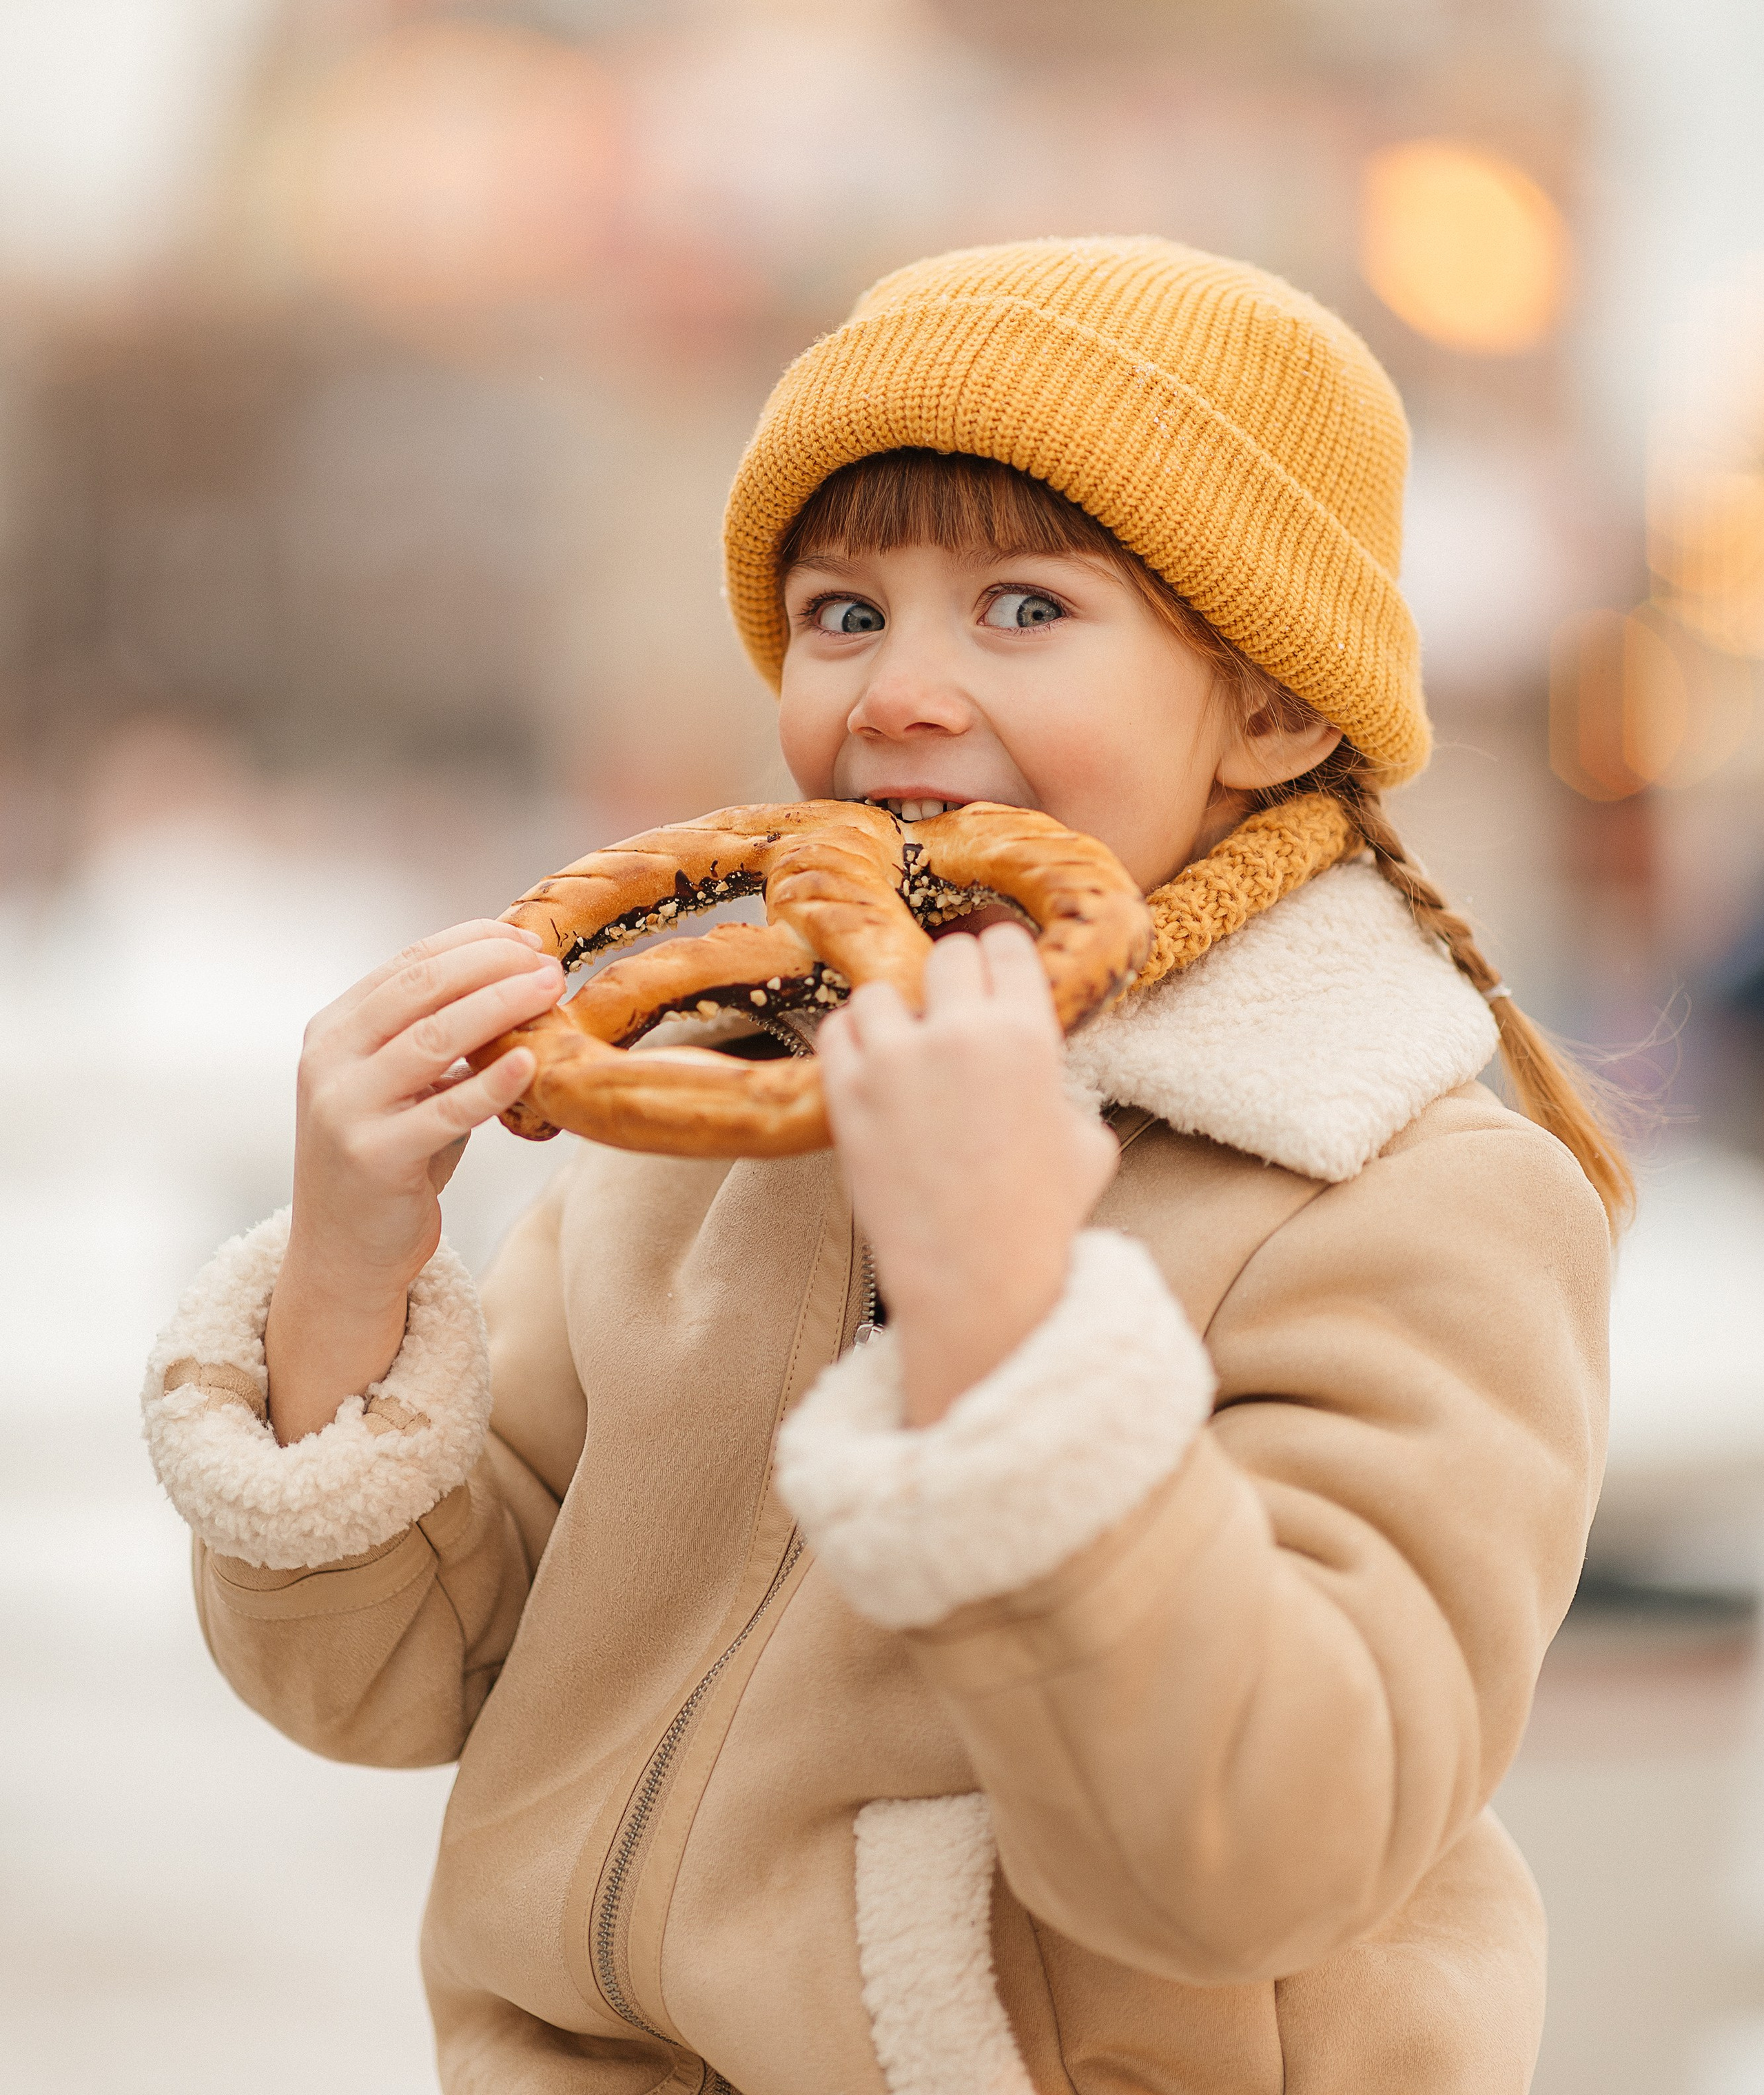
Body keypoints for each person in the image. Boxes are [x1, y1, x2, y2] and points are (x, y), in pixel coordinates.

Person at [143, 237, 1619, 2094]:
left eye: (1021, 609)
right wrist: (349, 1282)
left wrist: (1008, 1316)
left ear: (1272, 703)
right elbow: (386, 1682)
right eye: (843, 613)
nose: (901, 691)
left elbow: (1269, 1851)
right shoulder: (702, 1130)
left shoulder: (1400, 1195)